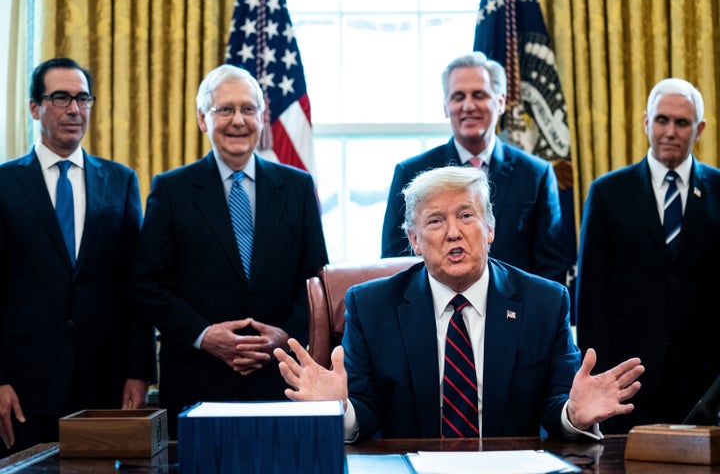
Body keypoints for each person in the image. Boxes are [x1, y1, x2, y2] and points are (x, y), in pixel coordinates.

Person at [274, 166, 644, 441]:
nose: (453, 232)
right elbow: (367, 411)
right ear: (415, 240)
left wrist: (574, 416)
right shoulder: (372, 307)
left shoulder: (543, 302)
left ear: (490, 229)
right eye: (435, 221)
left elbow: (557, 404)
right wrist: (337, 412)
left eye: (467, 215)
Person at [132, 64, 329, 438]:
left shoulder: (298, 187)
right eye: (224, 109)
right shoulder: (171, 190)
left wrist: (284, 336)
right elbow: (148, 285)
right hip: (196, 382)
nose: (238, 120)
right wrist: (205, 336)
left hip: (280, 381)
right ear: (203, 120)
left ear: (263, 117)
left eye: (248, 109)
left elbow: (316, 280)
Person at [0, 58, 157, 456]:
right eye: (61, 98)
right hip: (24, 386)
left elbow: (135, 286)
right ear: (34, 107)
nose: (75, 109)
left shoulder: (120, 181)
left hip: (104, 383)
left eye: (83, 98)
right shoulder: (5, 183)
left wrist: (140, 373)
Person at [576, 78, 720, 433]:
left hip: (704, 378)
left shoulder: (718, 190)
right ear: (646, 122)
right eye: (661, 120)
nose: (670, 131)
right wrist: (599, 378)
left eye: (682, 123)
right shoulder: (608, 192)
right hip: (628, 377)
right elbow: (591, 295)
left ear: (698, 129)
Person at [381, 52, 568, 285]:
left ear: (500, 102)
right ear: (446, 107)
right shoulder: (411, 174)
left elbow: (551, 268)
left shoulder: (535, 175)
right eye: (458, 97)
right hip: (436, 314)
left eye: (479, 95)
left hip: (515, 314)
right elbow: (395, 262)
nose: (468, 106)